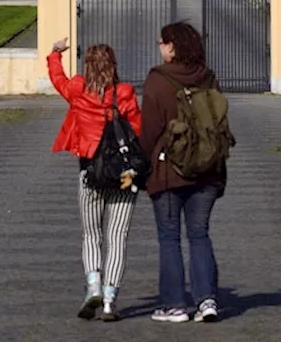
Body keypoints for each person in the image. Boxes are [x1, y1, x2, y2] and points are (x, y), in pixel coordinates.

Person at [47, 37, 142, 322]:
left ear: (87, 66)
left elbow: (57, 79)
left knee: (92, 234)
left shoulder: (78, 89)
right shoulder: (124, 93)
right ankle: (111, 299)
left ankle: (93, 287)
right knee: (118, 237)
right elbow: (137, 129)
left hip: (90, 172)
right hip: (124, 175)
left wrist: (55, 53)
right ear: (113, 66)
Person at [140, 22, 225, 324]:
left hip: (168, 170)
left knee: (169, 237)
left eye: (162, 42)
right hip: (208, 170)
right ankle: (207, 300)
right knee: (199, 235)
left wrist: (141, 164)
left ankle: (175, 304)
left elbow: (149, 131)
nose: (159, 47)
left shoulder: (157, 80)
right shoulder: (208, 77)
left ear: (172, 46)